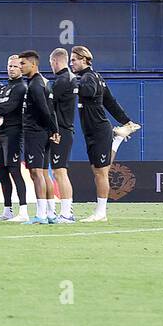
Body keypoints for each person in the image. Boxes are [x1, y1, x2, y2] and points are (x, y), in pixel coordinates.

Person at [70, 45, 114, 223]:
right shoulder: (91, 77)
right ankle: (100, 211)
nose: (71, 63)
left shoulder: (89, 77)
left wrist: (73, 82)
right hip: (92, 132)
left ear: (84, 59)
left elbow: (90, 91)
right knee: (98, 171)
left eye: (74, 60)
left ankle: (101, 212)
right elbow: (111, 103)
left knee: (101, 173)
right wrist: (126, 121)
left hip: (99, 131)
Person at [18, 51, 56, 225]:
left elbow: (44, 109)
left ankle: (41, 214)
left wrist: (53, 129)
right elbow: (50, 109)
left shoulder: (34, 85)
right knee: (43, 173)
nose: (20, 66)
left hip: (35, 132)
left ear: (33, 64)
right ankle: (50, 213)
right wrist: (53, 130)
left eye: (23, 63)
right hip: (43, 132)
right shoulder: (42, 82)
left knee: (36, 173)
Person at [0, 54, 29, 222]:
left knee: (14, 170)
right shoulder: (3, 88)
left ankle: (23, 211)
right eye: (9, 66)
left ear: (21, 68)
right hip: (0, 134)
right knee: (1, 171)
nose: (11, 69)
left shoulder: (21, 87)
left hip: (14, 133)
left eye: (15, 66)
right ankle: (7, 210)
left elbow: (9, 107)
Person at [48, 48, 77, 224]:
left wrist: (54, 131)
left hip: (61, 131)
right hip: (65, 129)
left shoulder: (61, 81)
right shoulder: (71, 78)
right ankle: (66, 211)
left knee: (60, 172)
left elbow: (50, 108)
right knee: (59, 171)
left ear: (55, 61)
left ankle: (66, 213)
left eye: (51, 63)